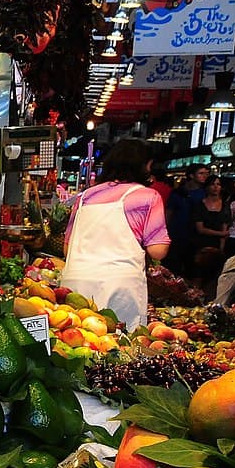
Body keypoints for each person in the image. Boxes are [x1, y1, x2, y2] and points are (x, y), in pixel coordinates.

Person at [61, 138, 169, 329]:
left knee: (80, 342)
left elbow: (66, 248)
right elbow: (157, 250)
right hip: (119, 287)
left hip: (76, 283)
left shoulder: (86, 196)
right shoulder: (148, 197)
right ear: (143, 166)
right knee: (118, 347)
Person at [165, 163, 209, 275]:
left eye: (206, 173)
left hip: (196, 234)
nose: (205, 176)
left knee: (193, 267)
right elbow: (168, 213)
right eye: (201, 173)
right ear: (191, 175)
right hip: (177, 234)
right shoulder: (178, 193)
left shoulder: (206, 193)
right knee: (174, 267)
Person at [192, 174, 231, 289]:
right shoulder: (199, 204)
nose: (215, 187)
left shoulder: (225, 205)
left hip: (217, 245)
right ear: (207, 187)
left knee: (215, 277)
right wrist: (221, 234)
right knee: (198, 275)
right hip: (201, 243)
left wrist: (221, 248)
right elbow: (200, 229)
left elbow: (225, 226)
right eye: (212, 184)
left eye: (218, 184)